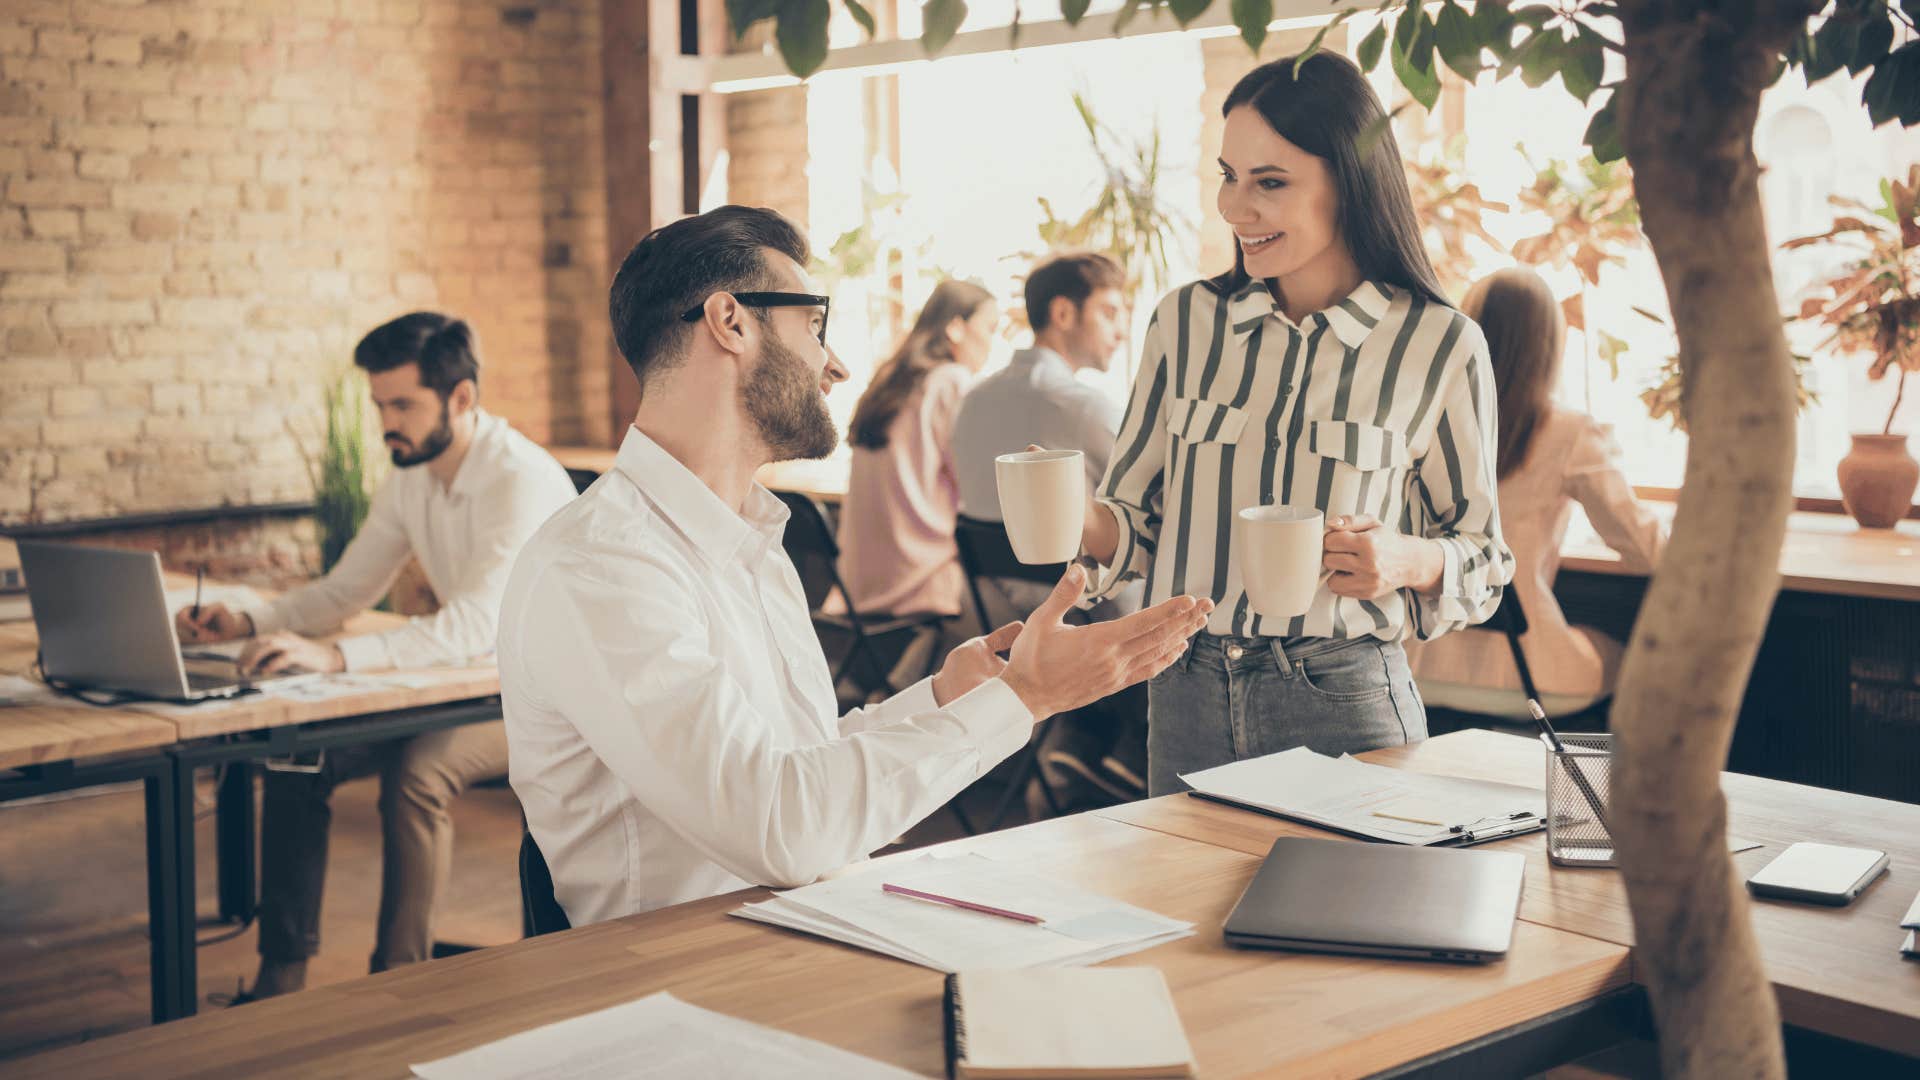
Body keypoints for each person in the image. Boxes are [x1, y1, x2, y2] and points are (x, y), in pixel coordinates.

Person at [496, 205, 1210, 927]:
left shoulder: (745, 541)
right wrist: (1023, 699)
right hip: (683, 984)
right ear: (730, 322)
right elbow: (780, 828)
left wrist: (941, 699)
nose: (834, 365)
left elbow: (791, 765)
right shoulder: (602, 567)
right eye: (814, 325)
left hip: (797, 936)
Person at [1073, 53, 1515, 796]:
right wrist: (1072, 516)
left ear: (1351, 181)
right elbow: (1137, 523)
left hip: (1343, 698)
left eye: (1270, 183)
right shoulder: (1184, 324)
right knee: (1186, 914)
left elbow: (1485, 556)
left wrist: (1404, 561)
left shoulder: (1440, 343)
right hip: (1184, 691)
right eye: (1228, 176)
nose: (1233, 209)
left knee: (1352, 917)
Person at [175, 313, 576, 998]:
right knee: (298, 756)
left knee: (421, 771)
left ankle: (398, 988)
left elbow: (474, 626)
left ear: (461, 399)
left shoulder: (521, 480)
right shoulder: (412, 474)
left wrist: (332, 659)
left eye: (402, 405)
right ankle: (281, 977)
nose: (386, 422)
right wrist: (247, 620)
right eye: (379, 405)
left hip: (555, 696)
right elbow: (344, 590)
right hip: (469, 683)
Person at [1407, 267, 1665, 706]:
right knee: (1634, 659)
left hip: (1419, 665)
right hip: (1529, 674)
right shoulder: (1568, 431)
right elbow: (1646, 551)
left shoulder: (1427, 420)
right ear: (1549, 344)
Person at [949, 251, 1147, 801]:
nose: (1121, 329)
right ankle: (1118, 752)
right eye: (1108, 312)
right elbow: (1153, 505)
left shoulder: (973, 399)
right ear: (1063, 313)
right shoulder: (1082, 406)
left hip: (991, 609)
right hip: (1076, 611)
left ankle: (1080, 747)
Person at [836, 280, 1000, 623]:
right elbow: (975, 485)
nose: (992, 342)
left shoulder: (889, 377)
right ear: (956, 328)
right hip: (921, 577)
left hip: (858, 584)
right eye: (990, 328)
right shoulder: (951, 380)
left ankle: (907, 672)